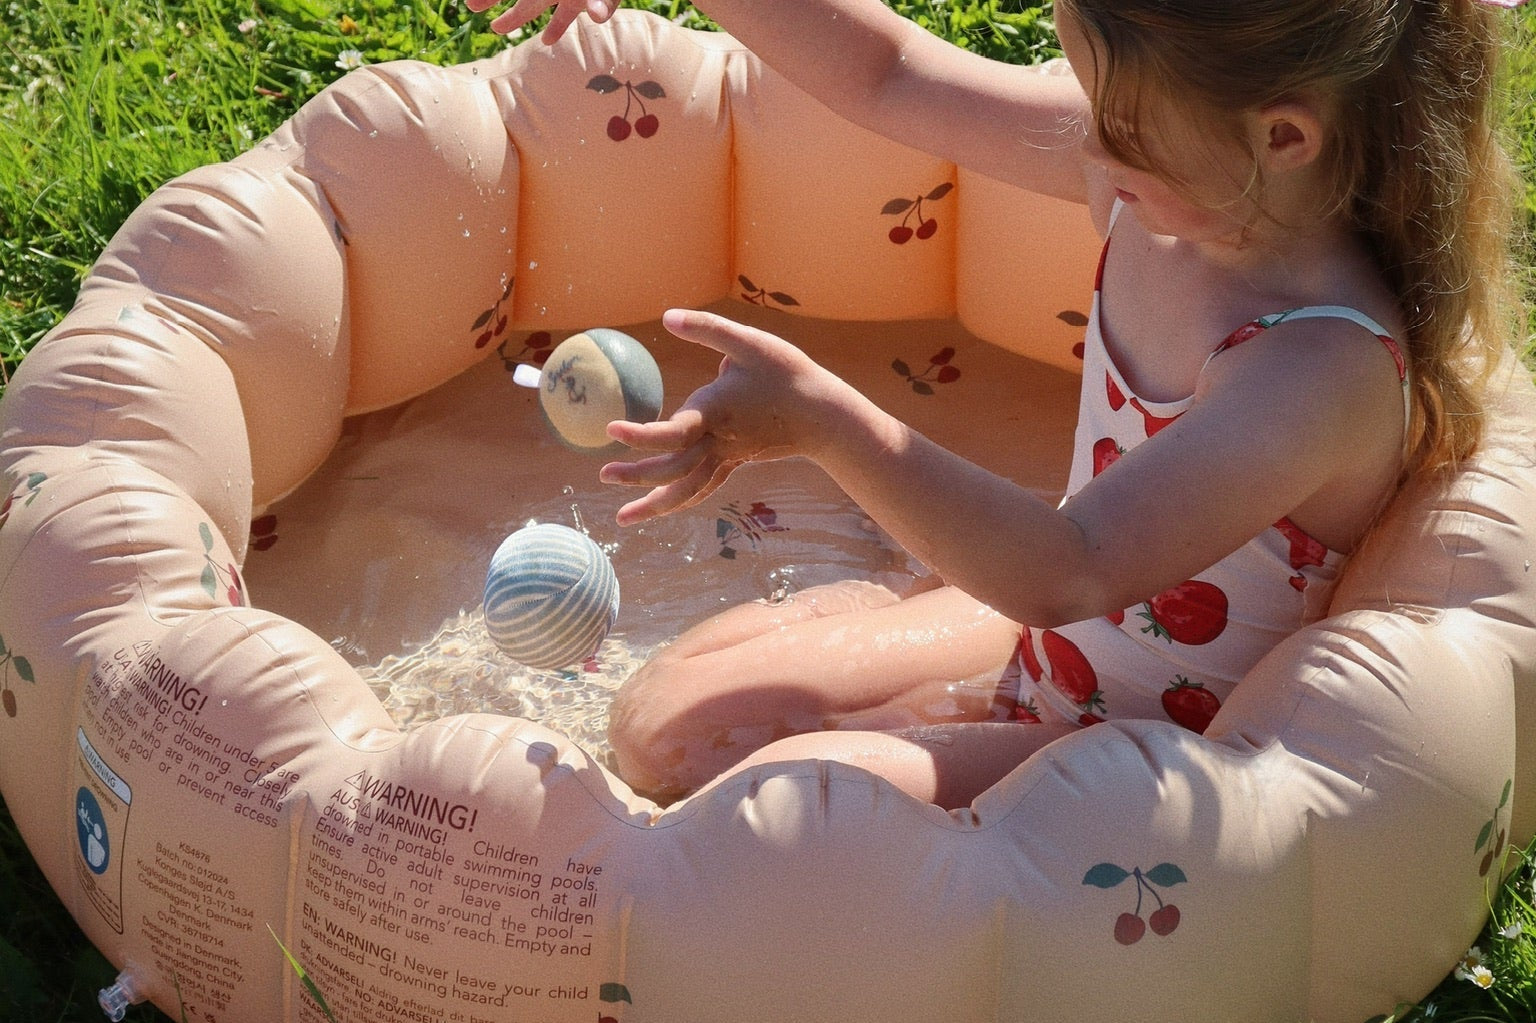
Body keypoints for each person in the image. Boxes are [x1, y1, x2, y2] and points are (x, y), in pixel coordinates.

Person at [468, 0, 1527, 807]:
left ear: (1284, 136)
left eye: (1119, 120)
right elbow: (890, 74)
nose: (1089, 146)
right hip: (1038, 643)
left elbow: (1071, 568)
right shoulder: (1186, 185)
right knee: (666, 727)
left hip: (1141, 749)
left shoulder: (1312, 369)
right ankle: (917, 590)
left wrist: (826, 421)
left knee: (777, 805)